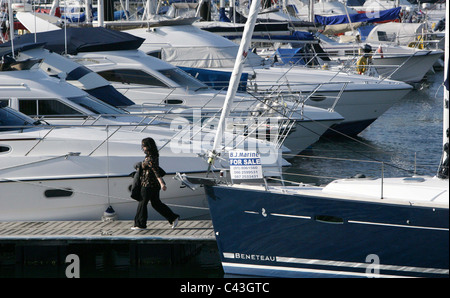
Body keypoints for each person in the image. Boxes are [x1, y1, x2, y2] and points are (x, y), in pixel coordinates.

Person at [132, 137, 180, 230]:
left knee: (142, 203)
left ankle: (140, 224)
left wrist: (162, 183)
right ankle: (173, 217)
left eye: (144, 146)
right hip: (154, 185)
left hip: (148, 184)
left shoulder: (150, 158)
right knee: (156, 203)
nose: (143, 148)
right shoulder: (153, 155)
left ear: (148, 146)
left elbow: (156, 171)